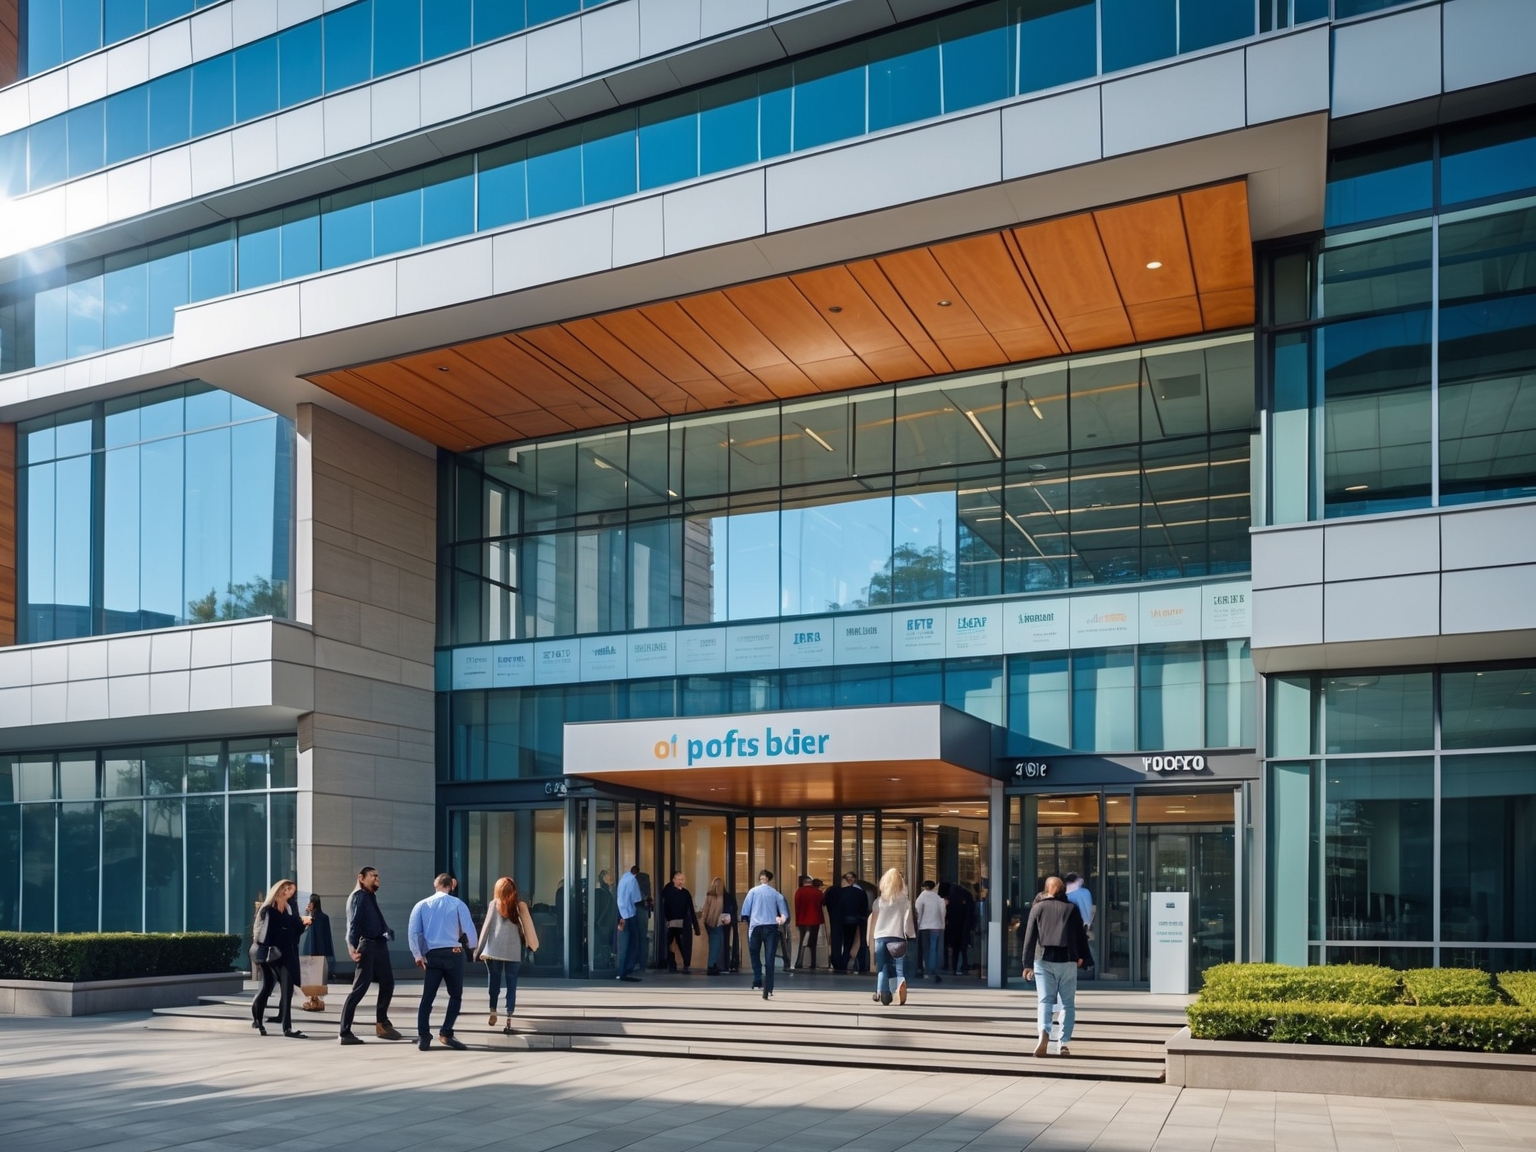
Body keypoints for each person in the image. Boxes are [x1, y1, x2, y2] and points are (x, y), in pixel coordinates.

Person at [1020, 876, 1090, 1058]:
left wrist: (1027, 965)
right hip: (1067, 961)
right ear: (1063, 891)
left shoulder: (1038, 908)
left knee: (1045, 1001)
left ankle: (1044, 1032)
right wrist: (1082, 957)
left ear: (1048, 890)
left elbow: (1029, 938)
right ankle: (1063, 1043)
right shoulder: (1071, 909)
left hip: (1043, 961)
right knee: (1068, 1003)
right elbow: (1080, 935)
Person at [408, 872, 479, 1051]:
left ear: (435, 884)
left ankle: (424, 1036)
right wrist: (473, 947)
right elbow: (469, 928)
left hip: (432, 955)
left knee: (427, 997)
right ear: (451, 885)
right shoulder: (458, 904)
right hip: (454, 953)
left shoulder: (421, 905)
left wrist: (417, 954)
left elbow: (414, 932)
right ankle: (446, 1033)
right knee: (455, 995)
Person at [339, 866, 403, 1046]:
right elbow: (354, 923)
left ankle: (382, 1023)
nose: (377, 878)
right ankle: (345, 1032)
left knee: (388, 983)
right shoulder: (359, 897)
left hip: (379, 945)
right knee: (359, 989)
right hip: (368, 946)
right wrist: (352, 946)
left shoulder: (369, 896)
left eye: (378, 876)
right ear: (361, 877)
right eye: (373, 876)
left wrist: (386, 931)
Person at [250, 878, 309, 1038]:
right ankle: (258, 1019)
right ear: (280, 889)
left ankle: (287, 1028)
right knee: (266, 988)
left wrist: (303, 923)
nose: (290, 892)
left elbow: (294, 930)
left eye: (292, 890)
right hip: (270, 954)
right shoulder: (268, 909)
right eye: (288, 889)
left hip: (286, 954)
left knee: (287, 989)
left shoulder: (289, 907)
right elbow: (261, 935)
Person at [474, 876, 530, 1031]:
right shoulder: (519, 907)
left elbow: (486, 928)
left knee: (494, 980)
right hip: (513, 951)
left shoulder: (493, 904)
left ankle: (493, 1010)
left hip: (494, 950)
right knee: (512, 984)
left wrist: (478, 949)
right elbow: (528, 929)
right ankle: (509, 1018)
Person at [867, 868, 917, 1007]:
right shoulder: (905, 902)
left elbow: (873, 921)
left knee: (882, 967)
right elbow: (908, 922)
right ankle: (898, 990)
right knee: (899, 969)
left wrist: (870, 939)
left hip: (880, 937)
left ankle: (884, 992)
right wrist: (911, 935)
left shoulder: (878, 902)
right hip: (897, 937)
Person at [740, 869, 788, 1000]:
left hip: (755, 926)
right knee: (770, 957)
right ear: (770, 879)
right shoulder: (776, 894)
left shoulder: (753, 892)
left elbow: (745, 911)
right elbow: (784, 913)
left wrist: (745, 919)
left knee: (754, 953)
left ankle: (757, 979)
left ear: (760, 879)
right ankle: (769, 986)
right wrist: (781, 919)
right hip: (771, 927)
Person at [298, 894, 334, 1012]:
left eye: (310, 903)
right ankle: (311, 998)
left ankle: (316, 999)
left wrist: (326, 951)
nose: (308, 905)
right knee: (309, 975)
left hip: (319, 949)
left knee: (318, 976)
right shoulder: (308, 917)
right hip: (309, 949)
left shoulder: (323, 918)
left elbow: (326, 936)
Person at [660, 871, 700, 973]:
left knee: (683, 944)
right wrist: (667, 919)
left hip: (683, 922)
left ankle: (685, 964)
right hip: (672, 922)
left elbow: (691, 909)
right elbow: (665, 907)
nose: (681, 881)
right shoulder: (668, 892)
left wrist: (695, 926)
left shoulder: (686, 893)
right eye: (679, 879)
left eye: (682, 879)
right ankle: (672, 963)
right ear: (674, 880)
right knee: (672, 943)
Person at [831, 872, 869, 974]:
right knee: (852, 943)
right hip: (854, 921)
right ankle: (850, 962)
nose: (850, 880)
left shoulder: (837, 893)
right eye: (848, 878)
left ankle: (841, 962)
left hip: (841, 921)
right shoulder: (860, 892)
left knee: (843, 942)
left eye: (851, 878)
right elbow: (864, 908)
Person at [615, 864, 644, 981]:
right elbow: (637, 899)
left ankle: (622, 970)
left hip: (621, 914)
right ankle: (627, 970)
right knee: (632, 943)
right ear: (637, 873)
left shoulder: (623, 879)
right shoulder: (633, 880)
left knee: (623, 945)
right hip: (630, 915)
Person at [914, 879, 946, 983]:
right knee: (934, 949)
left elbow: (918, 910)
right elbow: (943, 913)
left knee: (925, 949)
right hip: (936, 926)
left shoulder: (921, 897)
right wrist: (942, 925)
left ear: (924, 887)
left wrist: (918, 923)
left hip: (924, 927)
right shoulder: (939, 899)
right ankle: (933, 969)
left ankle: (926, 969)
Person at [1064, 872, 1095, 977]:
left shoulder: (1067, 895)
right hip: (1086, 924)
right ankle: (1089, 967)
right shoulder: (1085, 892)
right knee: (1086, 946)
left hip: (1073, 925)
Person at [944, 879, 976, 976]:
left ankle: (953, 967)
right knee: (964, 948)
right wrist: (972, 925)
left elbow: (946, 913)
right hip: (964, 925)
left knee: (955, 949)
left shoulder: (950, 897)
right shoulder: (967, 895)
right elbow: (971, 912)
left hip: (952, 926)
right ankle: (964, 965)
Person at [701, 877, 731, 975]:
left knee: (713, 944)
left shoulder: (709, 896)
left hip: (709, 923)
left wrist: (704, 920)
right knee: (716, 945)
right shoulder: (723, 897)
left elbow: (705, 910)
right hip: (718, 923)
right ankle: (712, 965)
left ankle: (712, 964)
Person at [793, 876, 824, 970]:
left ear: (803, 883)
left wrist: (797, 921)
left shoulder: (799, 891)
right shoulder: (818, 892)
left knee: (802, 941)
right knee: (813, 942)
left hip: (802, 920)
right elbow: (822, 904)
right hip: (815, 920)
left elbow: (797, 906)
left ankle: (799, 961)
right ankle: (813, 962)